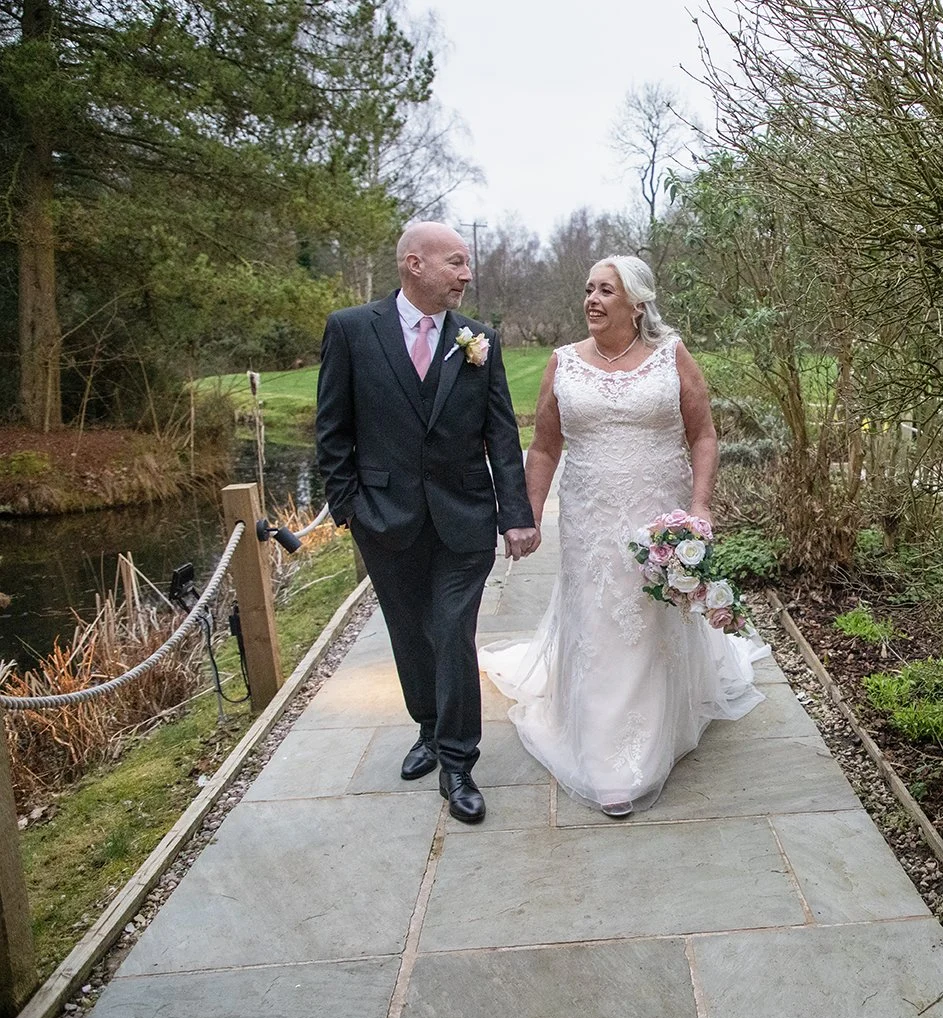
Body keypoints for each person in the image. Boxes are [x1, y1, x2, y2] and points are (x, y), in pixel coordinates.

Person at [480, 255, 767, 817]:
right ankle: (605, 754)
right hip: (589, 517)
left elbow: (703, 434)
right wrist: (529, 515)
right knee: (597, 620)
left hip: (657, 515)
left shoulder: (670, 355)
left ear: (636, 303)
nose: (591, 299)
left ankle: (652, 733)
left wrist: (699, 509)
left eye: (605, 290)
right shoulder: (563, 363)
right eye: (588, 289)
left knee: (650, 618)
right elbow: (543, 447)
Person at [316, 222, 540, 825]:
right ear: (414, 264)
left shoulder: (479, 341)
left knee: (450, 630)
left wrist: (516, 515)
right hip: (385, 521)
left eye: (466, 265)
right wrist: (349, 510)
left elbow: (500, 434)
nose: (466, 274)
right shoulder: (351, 331)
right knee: (410, 635)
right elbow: (333, 431)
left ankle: (458, 762)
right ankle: (428, 725)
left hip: (465, 519)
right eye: (456, 263)